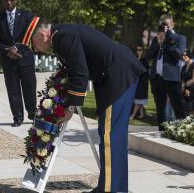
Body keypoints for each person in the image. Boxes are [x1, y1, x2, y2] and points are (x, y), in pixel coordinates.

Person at [32, 20, 146, 193]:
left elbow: (80, 72)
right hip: (117, 73)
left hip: (117, 75)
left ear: (42, 35)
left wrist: (70, 109)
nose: (36, 49)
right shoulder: (62, 33)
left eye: (34, 44)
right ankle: (113, 187)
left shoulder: (62, 36)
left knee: (110, 135)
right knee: (111, 135)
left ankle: (110, 189)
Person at [0, 0, 37, 127]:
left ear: (16, 0)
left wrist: (16, 48)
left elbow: (30, 36)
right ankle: (18, 117)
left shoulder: (27, 16)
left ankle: (32, 113)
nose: (9, 2)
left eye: (11, 0)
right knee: (13, 89)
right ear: (2, 2)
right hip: (8, 60)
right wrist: (7, 50)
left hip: (25, 58)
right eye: (6, 0)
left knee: (29, 88)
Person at [145, 17, 186, 130]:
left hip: (171, 79)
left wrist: (169, 40)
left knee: (178, 107)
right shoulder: (157, 38)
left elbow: (179, 55)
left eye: (166, 25)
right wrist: (158, 43)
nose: (164, 27)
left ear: (173, 24)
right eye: (162, 25)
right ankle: (162, 132)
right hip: (157, 79)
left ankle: (184, 132)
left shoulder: (180, 38)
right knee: (160, 109)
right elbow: (148, 56)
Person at [130, 45, 149, 120]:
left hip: (142, 83)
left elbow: (140, 68)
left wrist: (139, 57)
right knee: (139, 99)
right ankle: (141, 114)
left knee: (138, 99)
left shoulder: (144, 60)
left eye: (140, 49)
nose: (138, 51)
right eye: (137, 50)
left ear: (143, 51)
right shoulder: (136, 58)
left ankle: (133, 115)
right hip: (137, 82)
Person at [181, 49, 194, 115]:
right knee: (185, 111)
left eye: (185, 55)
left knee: (191, 110)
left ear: (190, 56)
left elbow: (193, 79)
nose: (183, 57)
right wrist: (184, 88)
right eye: (183, 55)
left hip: (192, 91)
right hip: (184, 91)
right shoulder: (184, 67)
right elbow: (182, 79)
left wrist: (185, 85)